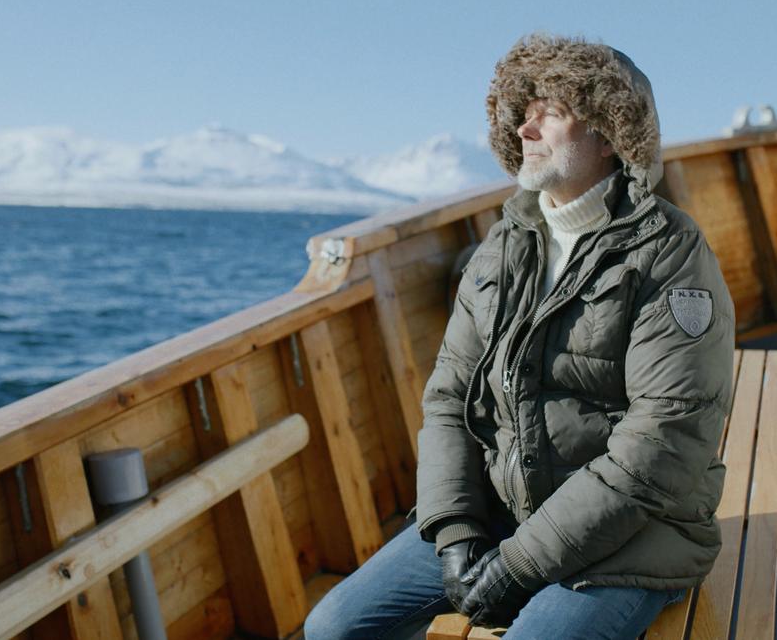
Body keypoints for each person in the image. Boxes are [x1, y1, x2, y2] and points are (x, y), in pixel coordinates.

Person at [305, 33, 734, 640]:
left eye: (552, 113)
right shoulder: (504, 244)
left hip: (633, 537)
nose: (527, 130)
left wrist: (517, 565)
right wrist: (455, 531)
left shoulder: (670, 255)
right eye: (524, 113)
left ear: (609, 135)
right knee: (333, 626)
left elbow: (664, 441)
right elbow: (449, 399)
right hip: (506, 509)